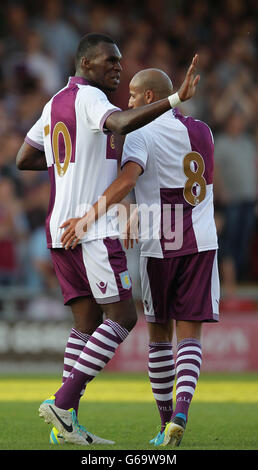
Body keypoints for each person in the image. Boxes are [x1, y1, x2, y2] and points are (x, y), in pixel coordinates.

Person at [16, 33, 199, 446]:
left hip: (59, 226)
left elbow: (24, 157)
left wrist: (69, 167)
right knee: (123, 317)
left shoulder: (53, 104)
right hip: (92, 228)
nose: (117, 67)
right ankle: (63, 402)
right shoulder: (90, 98)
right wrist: (173, 101)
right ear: (86, 63)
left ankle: (65, 425)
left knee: (85, 324)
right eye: (110, 61)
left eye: (119, 61)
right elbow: (118, 122)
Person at [62, 66, 218, 447]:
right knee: (190, 335)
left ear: (150, 98)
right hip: (201, 242)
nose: (127, 102)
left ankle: (165, 422)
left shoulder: (140, 132)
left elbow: (130, 178)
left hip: (158, 244)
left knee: (160, 338)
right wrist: (132, 207)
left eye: (133, 96)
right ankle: (181, 411)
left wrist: (90, 217)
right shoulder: (203, 130)